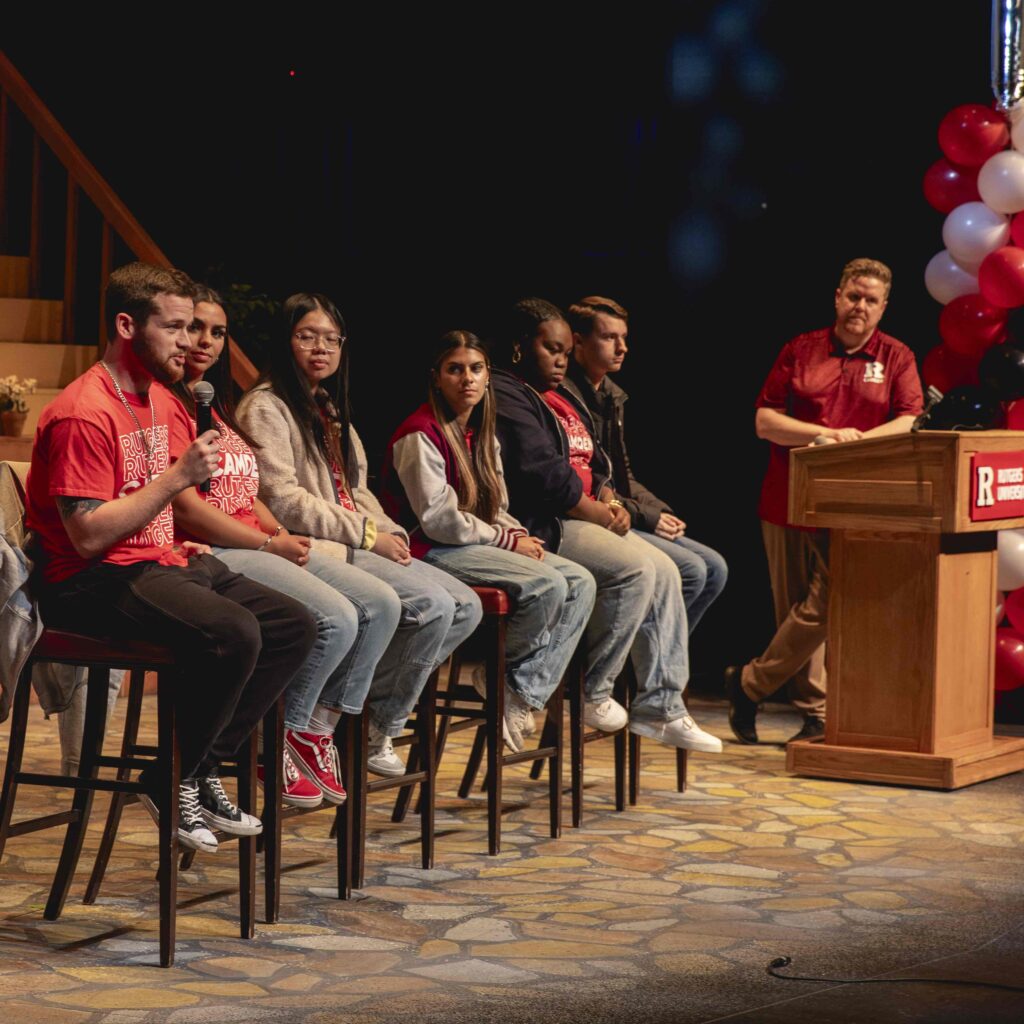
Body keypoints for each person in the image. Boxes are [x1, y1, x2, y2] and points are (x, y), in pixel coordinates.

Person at [25, 262, 317, 853]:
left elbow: (157, 501)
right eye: (175, 328)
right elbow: (87, 536)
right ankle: (174, 777)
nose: (188, 342)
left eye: (192, 328)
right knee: (234, 632)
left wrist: (174, 524)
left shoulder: (159, 398)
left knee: (294, 624)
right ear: (127, 326)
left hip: (156, 559)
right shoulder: (84, 411)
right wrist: (176, 479)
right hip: (91, 578)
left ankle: (194, 769)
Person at [168, 288, 400, 807]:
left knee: (383, 604)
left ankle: (318, 730)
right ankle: (279, 736)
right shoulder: (200, 405)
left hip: (255, 539)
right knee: (336, 618)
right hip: (215, 549)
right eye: (192, 328)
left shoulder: (215, 402)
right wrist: (269, 541)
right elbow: (193, 508)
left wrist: (276, 535)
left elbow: (249, 491)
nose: (203, 341)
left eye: (217, 332)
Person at [236, 293, 482, 776]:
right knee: (430, 605)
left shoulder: (326, 406)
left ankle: (367, 715)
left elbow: (355, 489)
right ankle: (332, 723)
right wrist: (368, 536)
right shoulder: (265, 406)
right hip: (317, 544)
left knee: (465, 606)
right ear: (285, 341)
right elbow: (283, 499)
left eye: (331, 340)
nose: (321, 349)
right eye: (307, 337)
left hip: (352, 539)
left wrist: (389, 531)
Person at [491, 298, 722, 753]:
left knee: (681, 569)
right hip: (548, 522)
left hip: (588, 512)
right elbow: (544, 473)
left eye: (563, 352)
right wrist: (601, 510)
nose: (560, 361)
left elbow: (601, 465)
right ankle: (595, 690)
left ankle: (656, 699)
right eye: (552, 349)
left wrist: (612, 500)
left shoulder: (559, 398)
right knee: (638, 569)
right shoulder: (511, 393)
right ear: (520, 347)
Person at [725, 258, 924, 744]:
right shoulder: (801, 349)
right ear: (837, 297)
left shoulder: (897, 356)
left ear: (883, 307)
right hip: (787, 498)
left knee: (829, 603)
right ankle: (815, 714)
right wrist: (827, 434)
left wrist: (856, 445)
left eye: (871, 300)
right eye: (853, 296)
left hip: (856, 503)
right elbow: (765, 422)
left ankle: (748, 684)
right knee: (793, 610)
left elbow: (910, 420)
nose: (860, 306)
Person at [380, 330, 596, 750]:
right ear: (436, 377)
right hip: (429, 549)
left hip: (473, 542)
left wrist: (517, 533)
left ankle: (517, 689)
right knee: (546, 584)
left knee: (581, 582)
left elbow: (495, 505)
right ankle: (506, 677)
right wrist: (508, 542)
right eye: (455, 369)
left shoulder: (481, 432)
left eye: (476, 369)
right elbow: (439, 521)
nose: (467, 379)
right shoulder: (419, 432)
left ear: (487, 375)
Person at [564, 295, 728, 633]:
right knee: (692, 570)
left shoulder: (611, 395)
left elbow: (621, 474)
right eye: (609, 337)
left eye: (624, 337)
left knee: (715, 568)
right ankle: (645, 658)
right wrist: (648, 518)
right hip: (593, 514)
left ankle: (653, 656)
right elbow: (592, 482)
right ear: (578, 342)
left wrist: (659, 511)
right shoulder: (566, 395)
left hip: (620, 508)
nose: (622, 347)